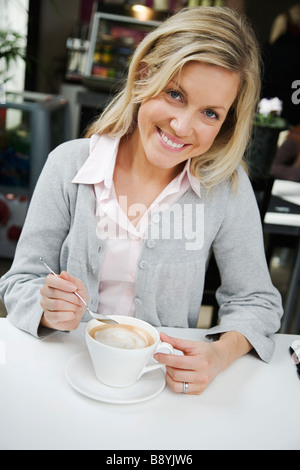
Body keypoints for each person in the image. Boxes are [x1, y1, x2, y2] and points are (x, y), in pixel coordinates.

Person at [0, 7, 283, 395]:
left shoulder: (226, 188)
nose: (182, 127)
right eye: (175, 94)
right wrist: (46, 307)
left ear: (226, 124)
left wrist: (217, 354)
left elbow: (258, 302)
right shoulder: (68, 165)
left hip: (164, 390)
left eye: (210, 113)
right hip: (59, 377)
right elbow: (19, 283)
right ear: (145, 77)